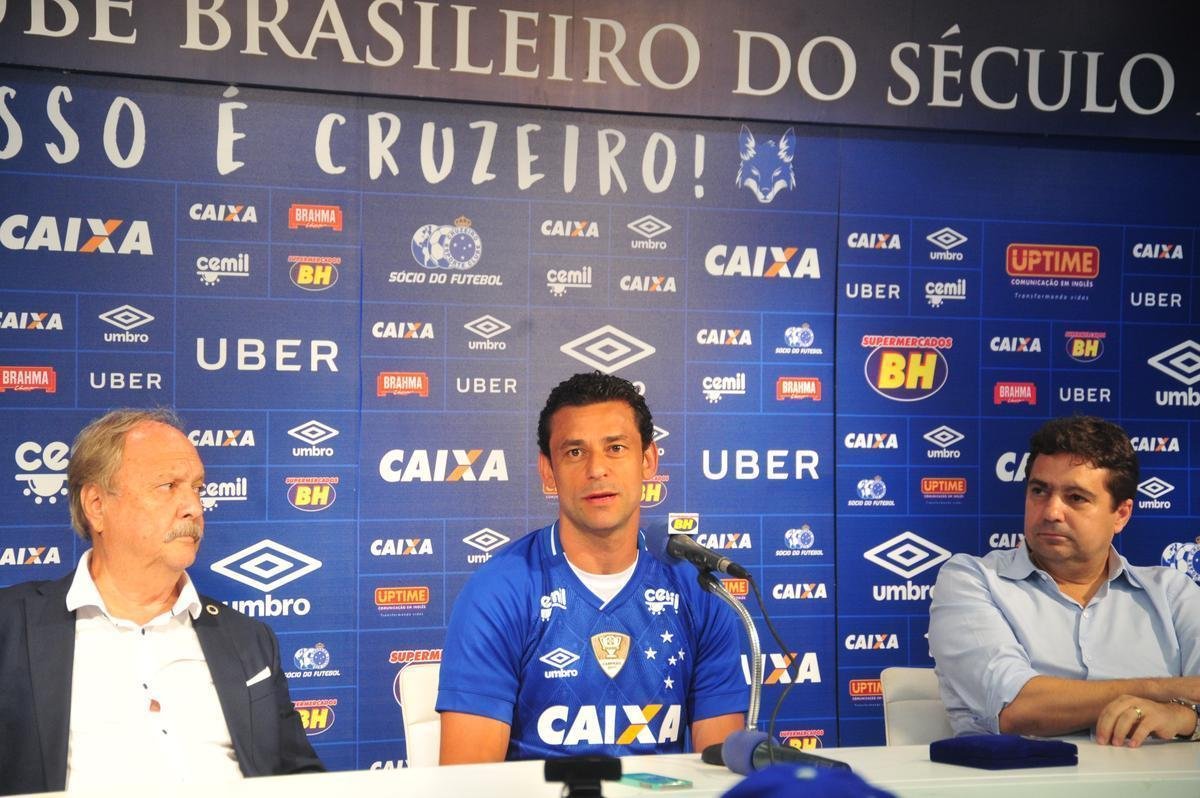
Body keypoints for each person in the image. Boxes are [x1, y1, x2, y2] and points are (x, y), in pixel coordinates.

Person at [0, 409, 323, 794]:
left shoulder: (249, 639)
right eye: (168, 486)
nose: (194, 507)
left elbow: (301, 778)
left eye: (197, 488)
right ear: (97, 505)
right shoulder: (12, 627)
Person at [436, 372, 747, 763]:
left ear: (648, 460)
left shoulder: (698, 588)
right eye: (575, 452)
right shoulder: (498, 592)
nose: (597, 469)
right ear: (548, 471)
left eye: (616, 448)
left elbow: (720, 769)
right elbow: (468, 785)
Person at [929, 416, 1200, 746]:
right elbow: (1016, 708)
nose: (1050, 512)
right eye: (1039, 491)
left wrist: (1186, 718)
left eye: (1076, 498)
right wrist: (1168, 690)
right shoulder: (972, 580)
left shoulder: (1172, 593)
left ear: (1121, 515)